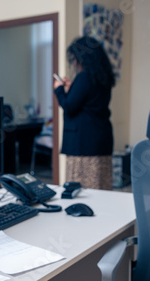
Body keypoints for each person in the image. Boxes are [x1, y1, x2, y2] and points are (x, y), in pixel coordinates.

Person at [53, 36, 115, 190]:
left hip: (83, 144)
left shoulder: (84, 77)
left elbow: (69, 106)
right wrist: (73, 87)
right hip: (101, 140)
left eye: (75, 59)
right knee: (100, 185)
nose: (74, 63)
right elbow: (87, 100)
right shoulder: (102, 77)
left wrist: (59, 89)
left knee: (83, 190)